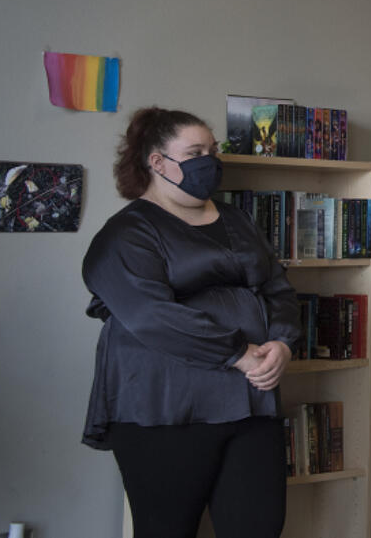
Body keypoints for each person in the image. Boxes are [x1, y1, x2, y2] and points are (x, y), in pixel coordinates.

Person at [82, 107, 301, 538]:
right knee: (168, 530)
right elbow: (151, 315)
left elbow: (278, 287)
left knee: (259, 528)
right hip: (165, 409)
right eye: (195, 151)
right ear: (157, 162)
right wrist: (238, 354)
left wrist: (284, 342)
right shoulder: (125, 234)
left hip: (251, 402)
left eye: (212, 150)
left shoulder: (238, 220)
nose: (209, 161)